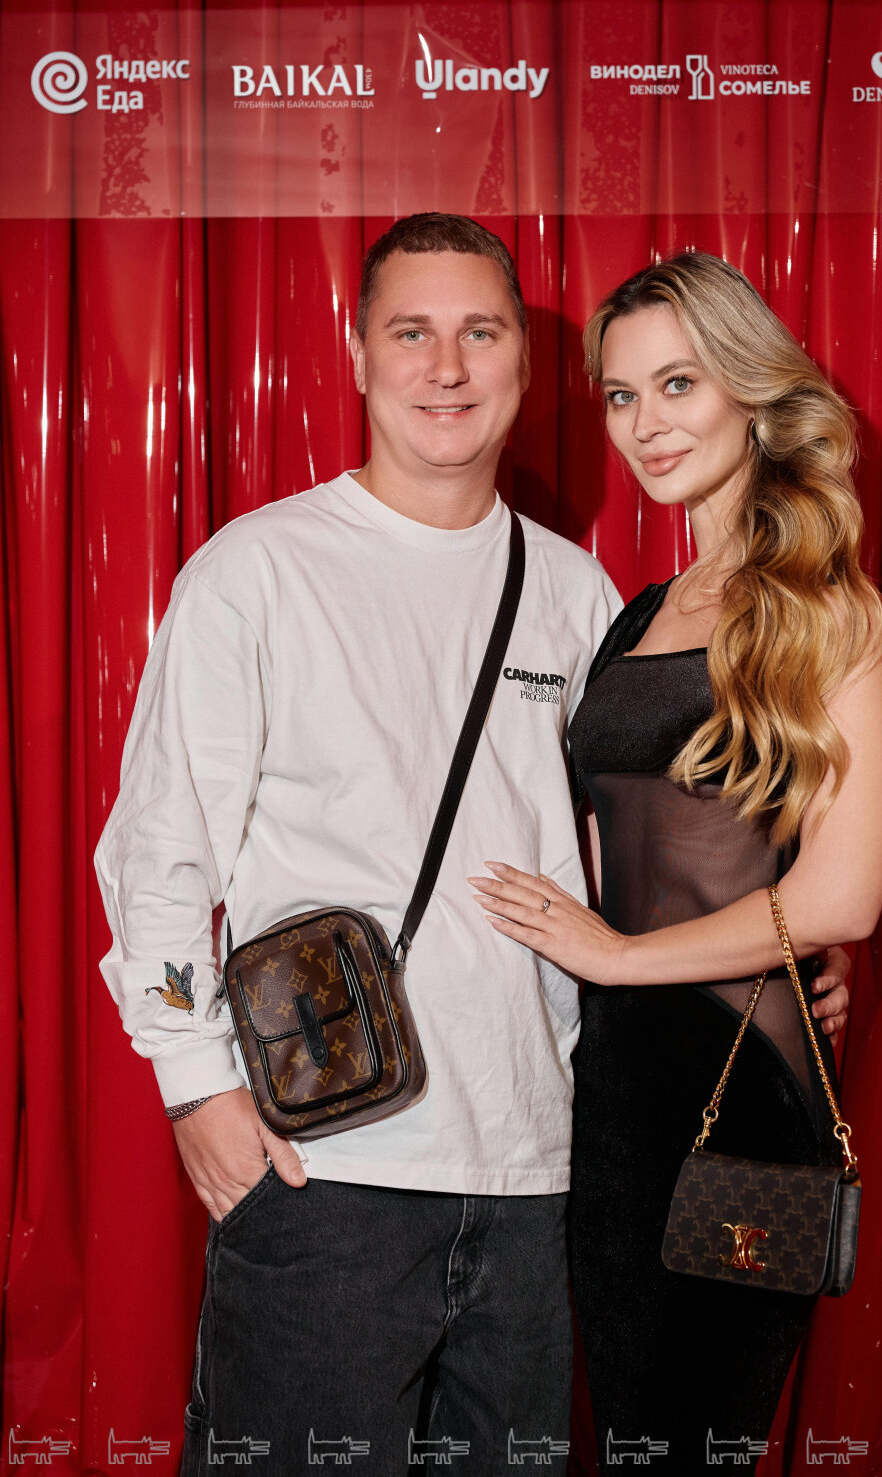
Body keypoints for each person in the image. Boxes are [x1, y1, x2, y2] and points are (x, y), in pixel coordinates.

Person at [94, 212, 633, 1475]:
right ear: (356, 353)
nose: (445, 367)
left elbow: (625, 861)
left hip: (533, 1176)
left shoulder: (577, 593)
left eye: (479, 332)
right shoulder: (258, 571)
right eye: (411, 332)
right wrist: (196, 1086)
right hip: (324, 1168)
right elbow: (161, 851)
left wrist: (773, 955)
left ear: (523, 362)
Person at [468, 252, 882, 1471]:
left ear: (749, 389)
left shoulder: (829, 608)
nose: (645, 423)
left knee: (694, 1438)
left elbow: (842, 892)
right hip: (614, 1084)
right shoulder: (639, 609)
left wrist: (617, 954)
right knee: (632, 1431)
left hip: (743, 1082)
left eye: (678, 383)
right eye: (622, 395)